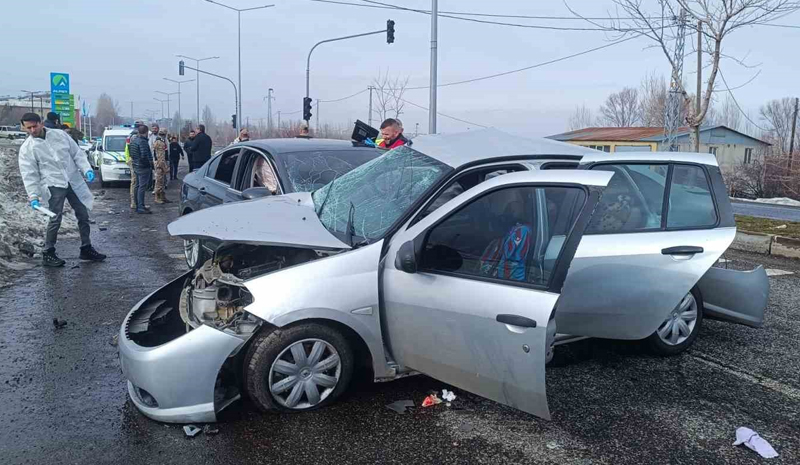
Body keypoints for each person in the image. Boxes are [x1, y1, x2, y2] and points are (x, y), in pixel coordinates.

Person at [17, 112, 106, 266]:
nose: (32, 130)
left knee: (83, 214)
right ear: (24, 128)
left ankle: (86, 248)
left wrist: (86, 169)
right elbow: (29, 174)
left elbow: (76, 153)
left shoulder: (59, 135)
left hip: (72, 180)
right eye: (28, 128)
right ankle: (48, 252)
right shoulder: (27, 149)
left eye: (34, 126)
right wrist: (33, 195)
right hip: (53, 185)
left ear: (41, 123)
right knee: (55, 218)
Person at [128, 125, 153, 214]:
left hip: (136, 165)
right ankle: (141, 206)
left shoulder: (134, 141)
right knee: (142, 187)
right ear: (146, 132)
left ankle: (137, 204)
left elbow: (132, 154)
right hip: (142, 167)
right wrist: (149, 165)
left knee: (137, 186)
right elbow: (144, 156)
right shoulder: (143, 142)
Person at [125, 122, 144, 209]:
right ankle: (134, 202)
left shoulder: (130, 135)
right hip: (134, 160)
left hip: (131, 159)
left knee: (135, 182)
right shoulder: (135, 136)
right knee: (135, 182)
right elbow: (136, 149)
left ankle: (135, 202)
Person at [152, 129, 171, 203]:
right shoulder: (160, 143)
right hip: (160, 164)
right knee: (159, 182)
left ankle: (162, 196)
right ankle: (157, 198)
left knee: (162, 181)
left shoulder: (160, 141)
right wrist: (165, 167)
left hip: (161, 163)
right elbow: (160, 157)